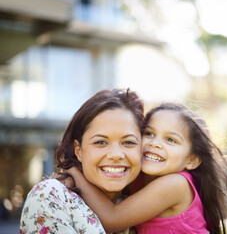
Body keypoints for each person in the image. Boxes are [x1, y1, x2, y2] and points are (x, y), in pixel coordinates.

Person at [67, 102, 227, 234]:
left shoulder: (175, 184)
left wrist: (75, 172)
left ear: (191, 160)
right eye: (149, 133)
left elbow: (110, 219)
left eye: (170, 140)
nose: (155, 144)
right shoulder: (138, 180)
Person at [19, 88, 144, 234]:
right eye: (100, 142)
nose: (116, 155)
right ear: (78, 151)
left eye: (129, 142)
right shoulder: (51, 196)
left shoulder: (143, 204)